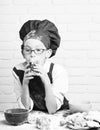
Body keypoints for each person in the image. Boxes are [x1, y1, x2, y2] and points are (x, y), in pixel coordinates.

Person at [12, 19, 69, 114]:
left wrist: (46, 80)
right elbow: (25, 109)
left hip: (59, 114)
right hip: (35, 116)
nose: (32, 55)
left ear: (48, 53)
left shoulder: (57, 71)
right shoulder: (18, 70)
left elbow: (52, 110)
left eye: (38, 50)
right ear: (23, 53)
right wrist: (25, 84)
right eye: (28, 50)